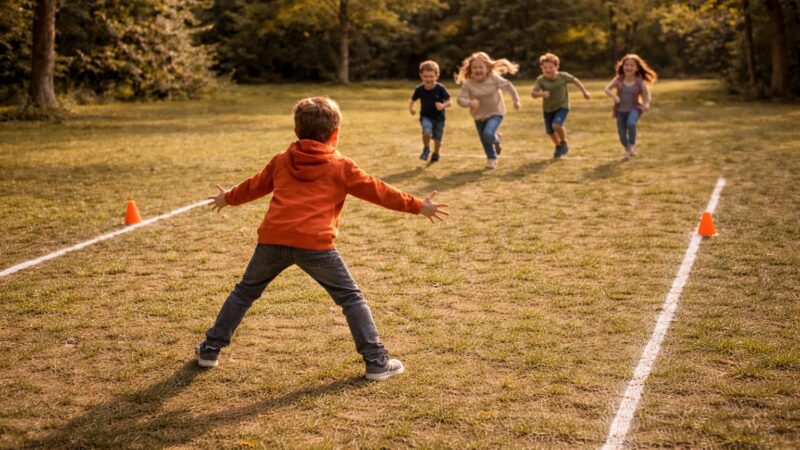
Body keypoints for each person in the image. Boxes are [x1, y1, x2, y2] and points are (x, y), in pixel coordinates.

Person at [196, 97, 450, 381]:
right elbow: (380, 191)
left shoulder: (282, 159)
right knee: (351, 298)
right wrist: (419, 206)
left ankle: (210, 349)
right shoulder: (340, 165)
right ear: (335, 133)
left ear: (297, 131)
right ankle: (376, 361)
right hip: (315, 245)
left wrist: (228, 198)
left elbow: (252, 186)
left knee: (244, 293)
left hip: (273, 239)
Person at [455, 51, 521, 170]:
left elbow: (508, 86)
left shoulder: (494, 79)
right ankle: (492, 157)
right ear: (470, 69)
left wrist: (516, 101)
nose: (478, 70)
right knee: (484, 139)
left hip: (495, 112)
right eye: (475, 67)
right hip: (478, 115)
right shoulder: (468, 84)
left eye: (481, 67)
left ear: (487, 68)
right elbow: (460, 99)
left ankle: (494, 143)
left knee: (488, 134)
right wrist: (469, 103)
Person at [530, 52, 591, 159]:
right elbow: (533, 94)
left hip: (562, 106)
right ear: (541, 68)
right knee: (550, 132)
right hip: (548, 109)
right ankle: (558, 146)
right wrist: (541, 94)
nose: (548, 70)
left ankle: (563, 142)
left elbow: (575, 81)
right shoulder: (540, 79)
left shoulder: (563, 76)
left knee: (556, 125)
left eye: (551, 67)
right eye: (545, 68)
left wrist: (585, 92)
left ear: (557, 67)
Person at [603, 54, 657, 161]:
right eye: (626, 65)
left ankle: (632, 145)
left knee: (631, 123)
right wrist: (614, 96)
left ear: (636, 68)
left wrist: (646, 104)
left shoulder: (639, 81)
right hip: (620, 110)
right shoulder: (619, 79)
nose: (628, 67)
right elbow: (607, 89)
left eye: (632, 65)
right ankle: (627, 149)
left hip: (634, 108)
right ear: (623, 66)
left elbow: (647, 94)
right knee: (621, 134)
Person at [409, 60, 451, 163]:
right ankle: (426, 148)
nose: (428, 79)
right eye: (426, 76)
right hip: (426, 116)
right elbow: (412, 100)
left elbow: (449, 101)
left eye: (431, 76)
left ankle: (436, 152)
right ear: (421, 76)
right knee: (426, 131)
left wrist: (443, 105)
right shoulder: (419, 89)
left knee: (437, 139)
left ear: (436, 76)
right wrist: (411, 108)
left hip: (439, 118)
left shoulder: (440, 88)